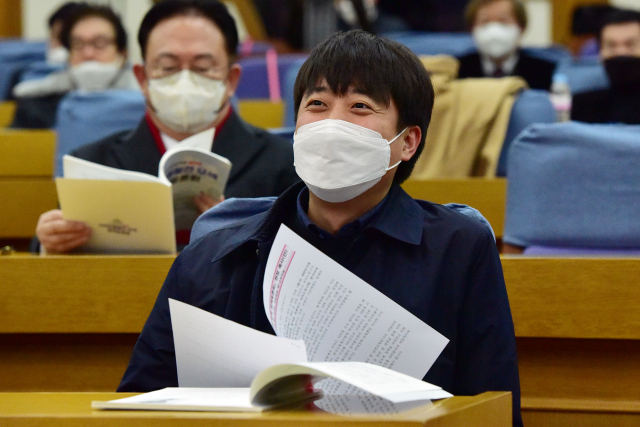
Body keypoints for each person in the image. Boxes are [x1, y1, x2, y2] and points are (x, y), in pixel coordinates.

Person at [117, 30, 523, 427]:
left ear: (408, 142)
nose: (332, 124)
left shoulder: (457, 248)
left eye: (360, 107)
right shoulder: (215, 254)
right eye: (317, 104)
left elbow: (493, 406)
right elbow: (141, 398)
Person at [34, 0, 298, 254]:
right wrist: (48, 242)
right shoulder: (94, 164)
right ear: (142, 78)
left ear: (231, 79)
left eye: (203, 67)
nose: (185, 79)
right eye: (168, 67)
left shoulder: (283, 163)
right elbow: (47, 260)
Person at [11, 3, 138, 129]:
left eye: (100, 43)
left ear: (123, 53)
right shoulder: (36, 104)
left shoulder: (143, 103)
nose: (88, 53)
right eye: (78, 44)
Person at [457, 0, 556, 90]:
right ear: (471, 29)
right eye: (485, 21)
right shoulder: (458, 71)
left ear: (521, 27)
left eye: (503, 21)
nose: (494, 31)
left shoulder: (543, 72)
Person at [572, 9, 640, 124]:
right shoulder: (583, 106)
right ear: (599, 53)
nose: (620, 53)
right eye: (611, 46)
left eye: (630, 44)